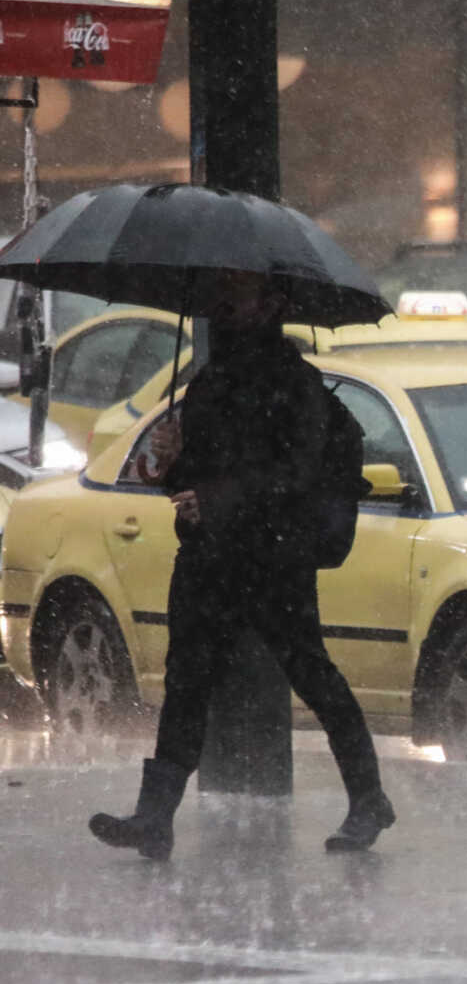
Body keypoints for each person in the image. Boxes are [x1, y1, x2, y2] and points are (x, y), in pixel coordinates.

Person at [88, 270, 393, 862]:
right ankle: (155, 817)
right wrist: (171, 463)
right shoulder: (210, 381)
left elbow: (296, 476)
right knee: (187, 682)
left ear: (272, 304)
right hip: (207, 558)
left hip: (273, 560)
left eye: (238, 296)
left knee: (311, 674)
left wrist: (220, 499)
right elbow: (193, 478)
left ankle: (369, 797)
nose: (223, 306)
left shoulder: (296, 385)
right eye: (219, 296)